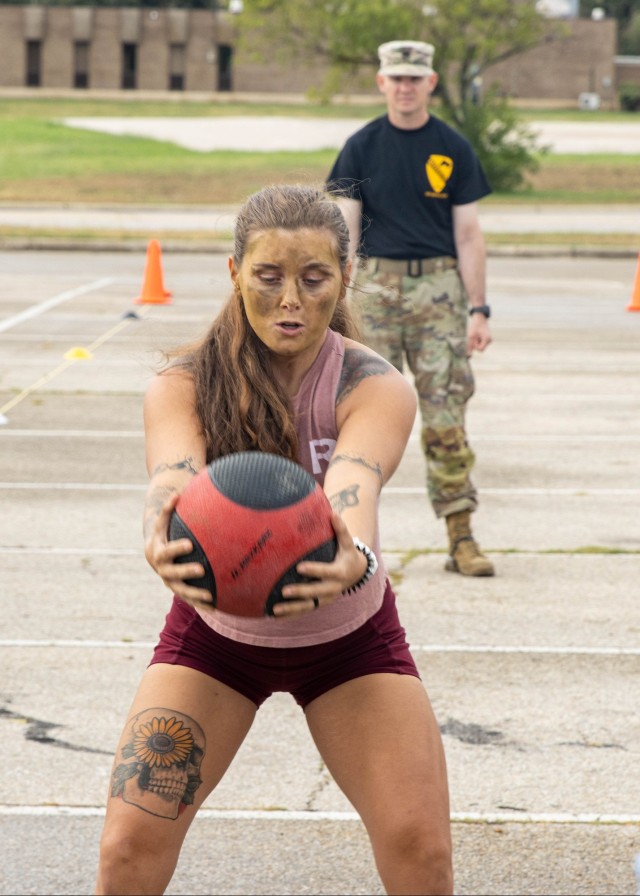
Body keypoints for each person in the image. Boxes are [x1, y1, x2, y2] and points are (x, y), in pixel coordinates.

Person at [95, 184, 453, 895]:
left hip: (350, 639)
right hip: (215, 637)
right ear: (235, 274)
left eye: (314, 278)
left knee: (422, 852)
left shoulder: (374, 385)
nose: (291, 297)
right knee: (128, 848)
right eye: (268, 276)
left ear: (344, 279)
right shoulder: (183, 382)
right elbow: (173, 477)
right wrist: (155, 528)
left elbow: (354, 482)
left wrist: (354, 554)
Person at [327, 39, 495, 577]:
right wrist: (338, 302)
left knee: (446, 415)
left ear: (431, 83)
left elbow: (468, 234)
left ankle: (460, 534)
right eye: (395, 77)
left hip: (439, 291)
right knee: (360, 421)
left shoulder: (452, 147)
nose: (404, 86)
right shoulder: (360, 147)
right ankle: (348, 540)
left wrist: (479, 308)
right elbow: (345, 232)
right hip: (376, 291)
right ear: (381, 82)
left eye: (414, 78)